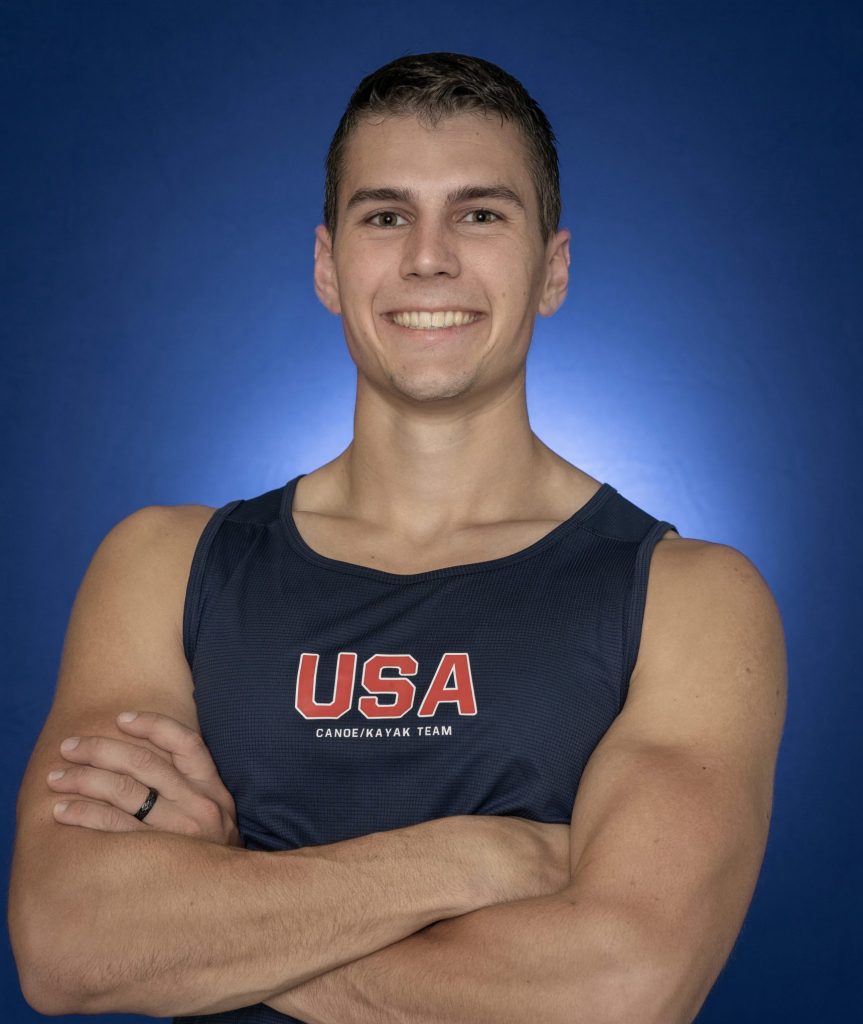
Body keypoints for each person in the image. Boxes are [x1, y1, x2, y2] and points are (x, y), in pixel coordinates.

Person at [8, 52, 787, 1024]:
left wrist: (213, 904)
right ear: (326, 265)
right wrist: (474, 857)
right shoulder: (164, 568)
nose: (428, 257)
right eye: (384, 216)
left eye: (479, 214)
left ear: (551, 270)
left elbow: (619, 990)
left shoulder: (686, 599)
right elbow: (68, 943)